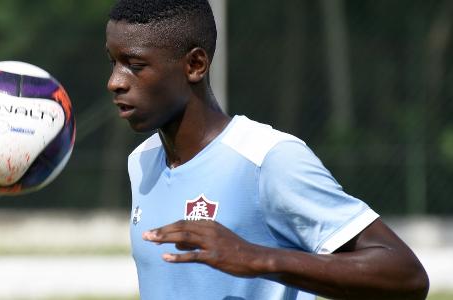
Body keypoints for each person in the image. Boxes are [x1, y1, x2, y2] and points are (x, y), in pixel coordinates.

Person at [105, 0, 430, 299]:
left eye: (134, 64)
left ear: (195, 64)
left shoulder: (268, 158)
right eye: (113, 62)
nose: (115, 81)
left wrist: (259, 257)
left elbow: (406, 276)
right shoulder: (142, 161)